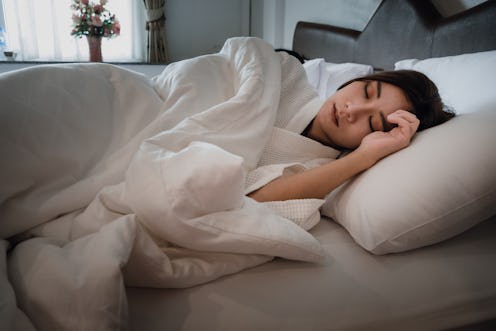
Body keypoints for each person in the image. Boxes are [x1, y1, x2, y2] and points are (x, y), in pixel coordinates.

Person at [249, 70, 455, 202]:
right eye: (367, 91)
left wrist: (364, 156)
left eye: (373, 123)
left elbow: (255, 198)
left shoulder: (320, 170)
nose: (352, 110)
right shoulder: (283, 74)